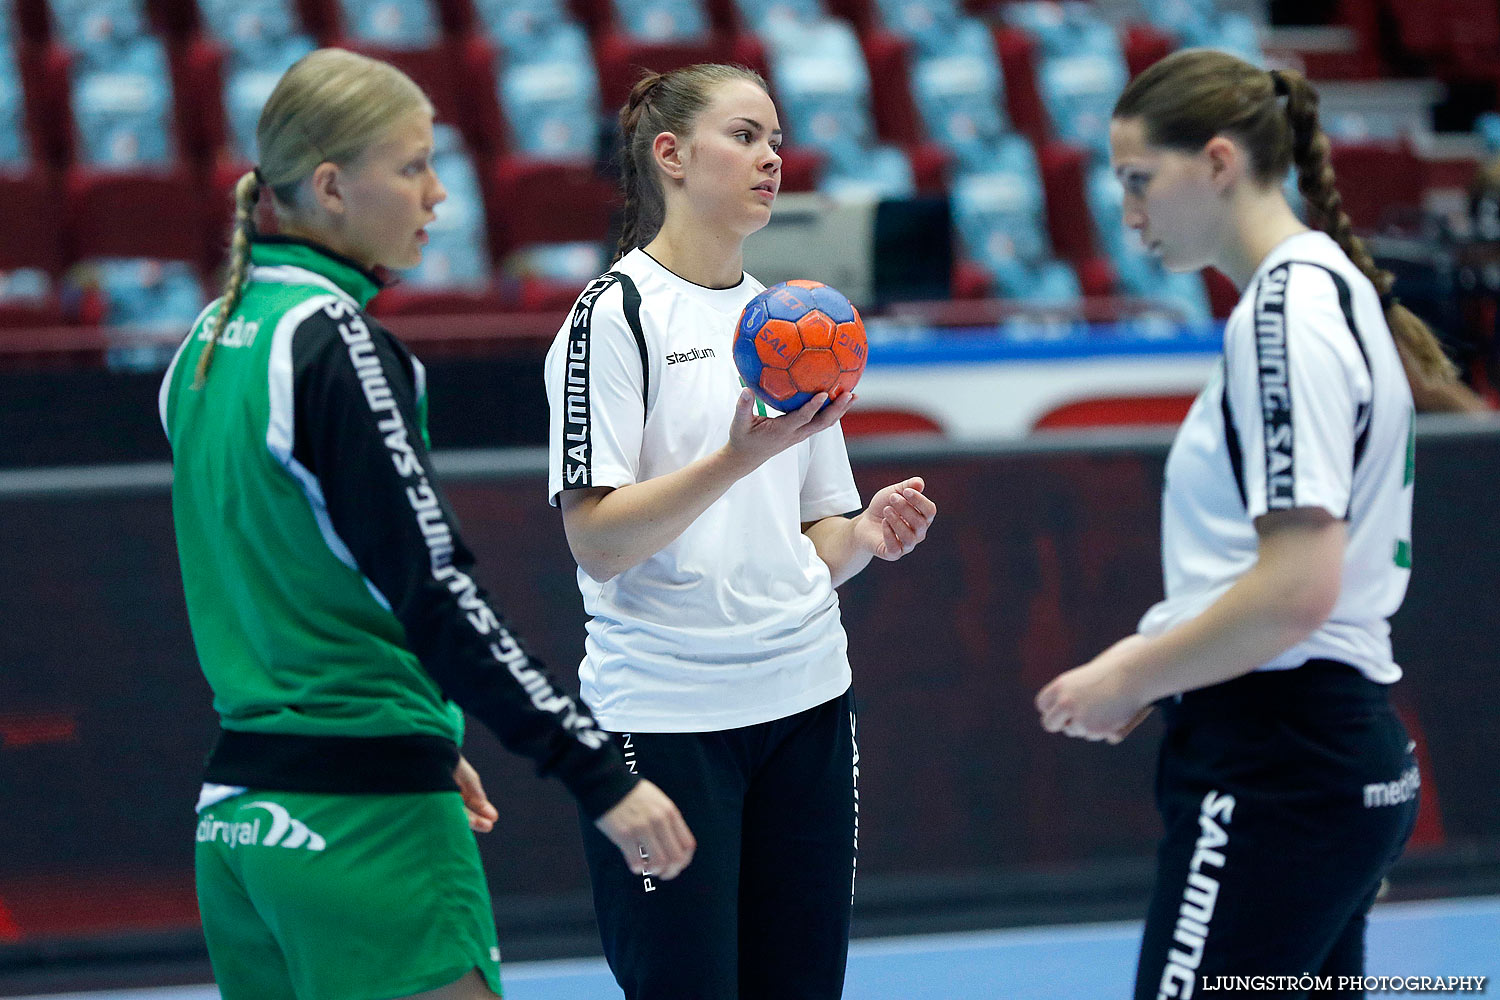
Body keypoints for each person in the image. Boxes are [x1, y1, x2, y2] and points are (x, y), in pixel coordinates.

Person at [159, 49, 693, 1000]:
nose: (439, 196)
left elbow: (287, 578)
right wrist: (596, 772)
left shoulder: (205, 342)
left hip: (240, 820)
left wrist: (431, 739)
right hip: (364, 821)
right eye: (412, 167)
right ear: (330, 186)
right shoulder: (339, 346)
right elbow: (438, 591)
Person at [1035, 50, 1431, 997]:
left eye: (1139, 181)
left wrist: (1128, 671)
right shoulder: (1323, 291)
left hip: (1276, 764)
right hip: (1319, 752)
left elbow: (1298, 588)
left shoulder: (1285, 316)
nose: (1127, 216)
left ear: (1217, 162)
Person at [542, 64, 937, 1000]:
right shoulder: (614, 317)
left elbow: (818, 536)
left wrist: (868, 536)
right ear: (670, 156)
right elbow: (594, 543)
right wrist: (734, 456)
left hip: (805, 704)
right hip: (665, 722)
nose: (771, 160)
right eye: (746, 136)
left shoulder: (796, 323)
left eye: (777, 142)